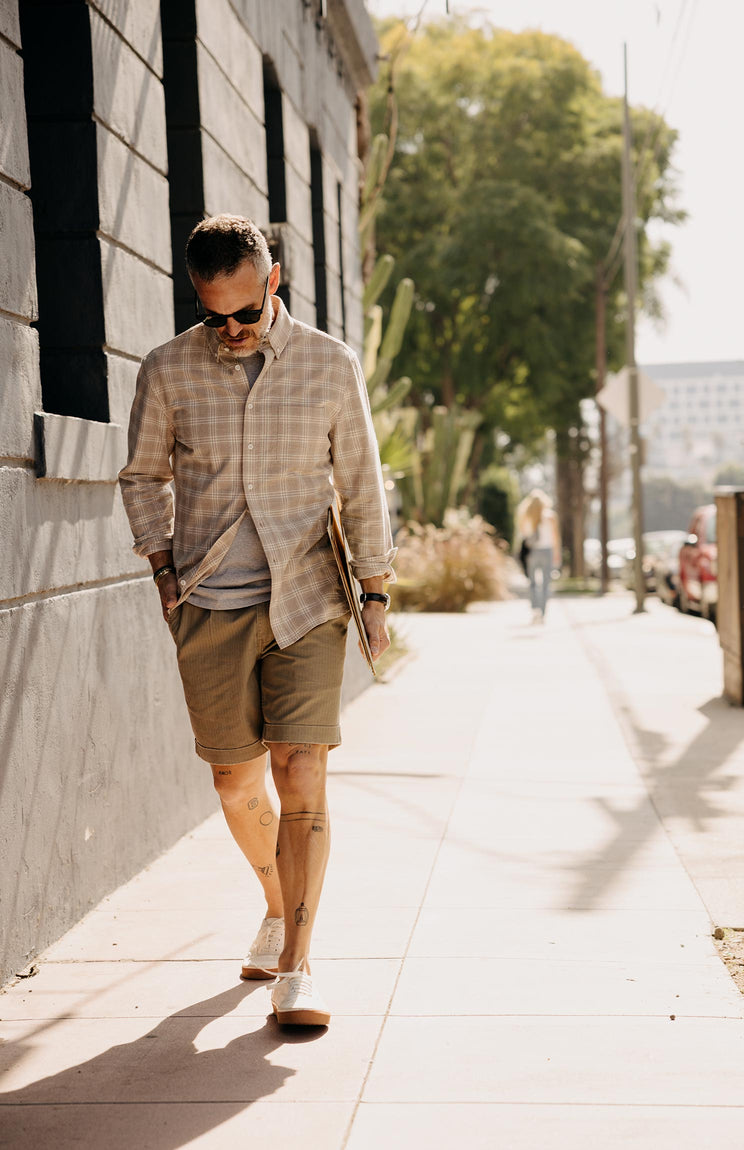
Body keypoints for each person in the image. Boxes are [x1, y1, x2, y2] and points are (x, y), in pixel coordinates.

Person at [119, 214, 396, 1028]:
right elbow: (141, 476)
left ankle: (299, 967)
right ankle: (277, 903)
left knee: (300, 773)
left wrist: (374, 593)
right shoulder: (168, 369)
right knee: (235, 780)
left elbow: (362, 481)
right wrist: (163, 567)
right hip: (208, 602)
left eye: (245, 312)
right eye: (215, 317)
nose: (232, 331)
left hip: (308, 597)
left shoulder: (327, 363)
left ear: (272, 281)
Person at [516, 489, 561, 622]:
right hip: (547, 551)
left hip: (533, 552)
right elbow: (555, 537)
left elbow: (524, 535)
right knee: (546, 584)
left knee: (533, 583)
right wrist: (557, 554)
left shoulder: (526, 516)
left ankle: (535, 609)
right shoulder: (550, 516)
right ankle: (542, 612)